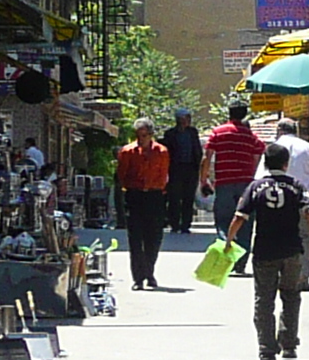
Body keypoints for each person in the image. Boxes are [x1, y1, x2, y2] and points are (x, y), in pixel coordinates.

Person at [229, 142, 309, 360]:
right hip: (292, 250)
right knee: (291, 296)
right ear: (286, 164)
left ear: (265, 163)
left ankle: (266, 350)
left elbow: (240, 216)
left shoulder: (255, 187)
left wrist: (229, 241)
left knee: (264, 300)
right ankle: (289, 346)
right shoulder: (296, 186)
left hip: (264, 251)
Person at [113, 121, 171, 288]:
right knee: (136, 237)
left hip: (155, 195)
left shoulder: (161, 152)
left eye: (144, 135)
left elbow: (164, 174)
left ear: (151, 135)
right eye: (138, 135)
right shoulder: (127, 151)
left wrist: (157, 189)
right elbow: (122, 174)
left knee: (154, 237)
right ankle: (138, 278)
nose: (141, 139)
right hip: (135, 195)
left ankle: (149, 272)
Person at [202, 97, 265, 237]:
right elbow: (257, 158)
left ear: (229, 113)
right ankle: (241, 256)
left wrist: (204, 180)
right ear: (244, 114)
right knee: (244, 220)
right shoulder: (252, 136)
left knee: (223, 222)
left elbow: (207, 157)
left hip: (224, 182)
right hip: (246, 184)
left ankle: (226, 252)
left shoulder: (218, 132)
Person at [267, 116, 309, 257]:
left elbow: (261, 177)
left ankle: (280, 272)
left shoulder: (272, 149)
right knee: (303, 237)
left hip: (276, 200)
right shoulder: (308, 148)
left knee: (276, 237)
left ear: (279, 130)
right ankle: (302, 276)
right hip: (302, 200)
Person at [161, 106, 204, 240]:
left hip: (190, 169)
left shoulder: (193, 132)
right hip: (175, 169)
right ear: (178, 120)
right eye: (184, 118)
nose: (186, 121)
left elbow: (197, 150)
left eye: (188, 118)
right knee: (174, 197)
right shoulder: (170, 134)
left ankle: (186, 224)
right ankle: (174, 223)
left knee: (188, 197)